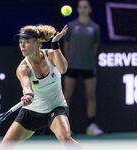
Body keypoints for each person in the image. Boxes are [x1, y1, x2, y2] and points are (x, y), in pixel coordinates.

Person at [0, 24, 81, 150]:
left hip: (56, 107)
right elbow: (26, 86)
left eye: (26, 42)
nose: (22, 46)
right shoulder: (23, 68)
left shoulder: (51, 55)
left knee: (66, 139)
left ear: (37, 42)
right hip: (31, 113)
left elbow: (63, 69)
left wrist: (55, 44)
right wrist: (28, 95)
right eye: (20, 42)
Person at [63, 0, 103, 136]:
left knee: (91, 96)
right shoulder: (71, 26)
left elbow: (95, 48)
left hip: (88, 66)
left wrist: (88, 60)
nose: (83, 9)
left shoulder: (95, 28)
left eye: (85, 7)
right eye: (80, 7)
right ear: (78, 9)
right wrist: (68, 62)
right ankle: (65, 127)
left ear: (89, 9)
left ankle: (91, 126)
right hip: (72, 66)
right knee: (66, 96)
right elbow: (66, 47)